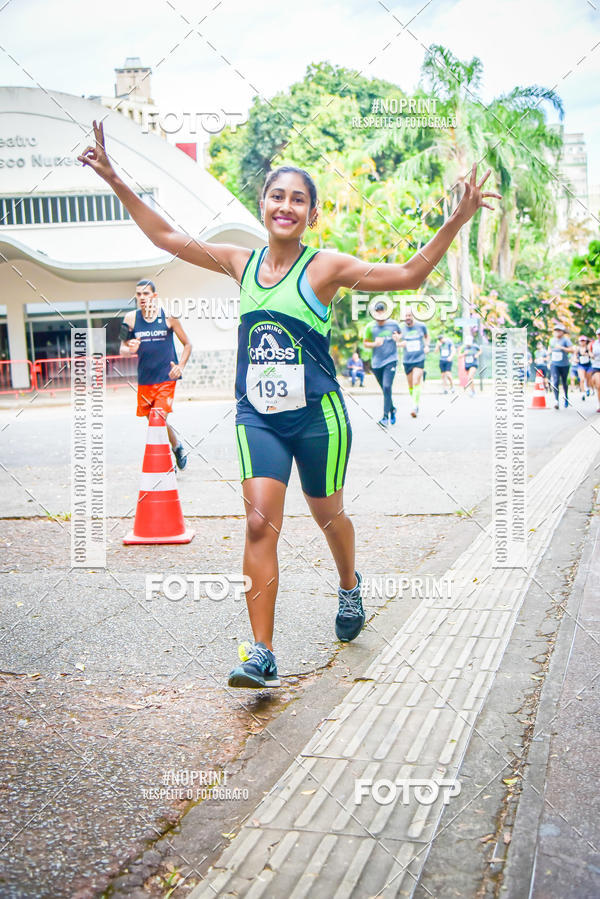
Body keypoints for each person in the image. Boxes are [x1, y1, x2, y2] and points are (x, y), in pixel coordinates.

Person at [78, 121, 500, 689]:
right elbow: (167, 237)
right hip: (258, 418)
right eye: (277, 196)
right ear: (263, 204)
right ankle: (262, 653)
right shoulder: (239, 261)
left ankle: (349, 585)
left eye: (298, 199)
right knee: (259, 523)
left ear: (311, 214)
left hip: (318, 417)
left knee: (329, 516)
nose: (286, 206)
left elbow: (408, 276)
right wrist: (113, 177)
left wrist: (457, 219)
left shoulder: (325, 268)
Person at [119, 280, 191, 470]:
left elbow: (188, 344)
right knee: (156, 421)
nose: (142, 297)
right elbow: (122, 349)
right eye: (138, 294)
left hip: (166, 378)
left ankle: (167, 465)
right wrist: (130, 348)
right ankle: (177, 446)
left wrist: (181, 366)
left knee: (157, 419)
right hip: (145, 380)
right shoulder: (130, 319)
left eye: (146, 293)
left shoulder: (169, 317)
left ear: (154, 296)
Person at [363, 301, 401, 426]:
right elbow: (365, 343)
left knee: (387, 387)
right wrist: (375, 344)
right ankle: (392, 409)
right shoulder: (370, 327)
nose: (379, 316)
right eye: (377, 314)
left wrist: (397, 338)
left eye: (381, 313)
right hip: (377, 363)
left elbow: (400, 335)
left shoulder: (394, 324)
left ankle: (385, 417)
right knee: (385, 390)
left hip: (391, 360)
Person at [397, 308, 429, 417]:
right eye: (406, 316)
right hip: (407, 360)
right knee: (410, 385)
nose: (407, 318)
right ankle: (415, 401)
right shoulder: (400, 328)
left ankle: (415, 406)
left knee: (416, 381)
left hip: (419, 358)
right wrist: (400, 344)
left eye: (409, 315)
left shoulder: (421, 326)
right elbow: (396, 341)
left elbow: (427, 337)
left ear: (413, 316)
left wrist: (426, 346)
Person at [548, 323, 575, 409]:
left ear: (562, 332)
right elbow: (549, 348)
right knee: (555, 380)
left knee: (564, 382)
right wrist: (548, 355)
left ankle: (566, 397)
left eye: (559, 330)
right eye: (556, 330)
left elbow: (572, 350)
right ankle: (556, 401)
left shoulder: (566, 340)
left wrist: (562, 348)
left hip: (564, 364)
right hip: (554, 364)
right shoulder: (551, 340)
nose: (557, 332)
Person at [574, 334, 592, 400]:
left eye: (583, 341)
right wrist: (575, 359)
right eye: (581, 341)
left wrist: (588, 354)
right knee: (582, 379)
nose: (582, 342)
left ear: (586, 341)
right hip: (581, 365)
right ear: (579, 342)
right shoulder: (577, 349)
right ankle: (582, 393)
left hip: (588, 365)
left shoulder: (588, 347)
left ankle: (587, 388)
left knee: (588, 379)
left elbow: (591, 354)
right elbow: (575, 356)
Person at [588, 327, 600, 412]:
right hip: (596, 366)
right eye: (599, 334)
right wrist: (591, 354)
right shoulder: (593, 344)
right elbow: (589, 351)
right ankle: (599, 403)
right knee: (599, 385)